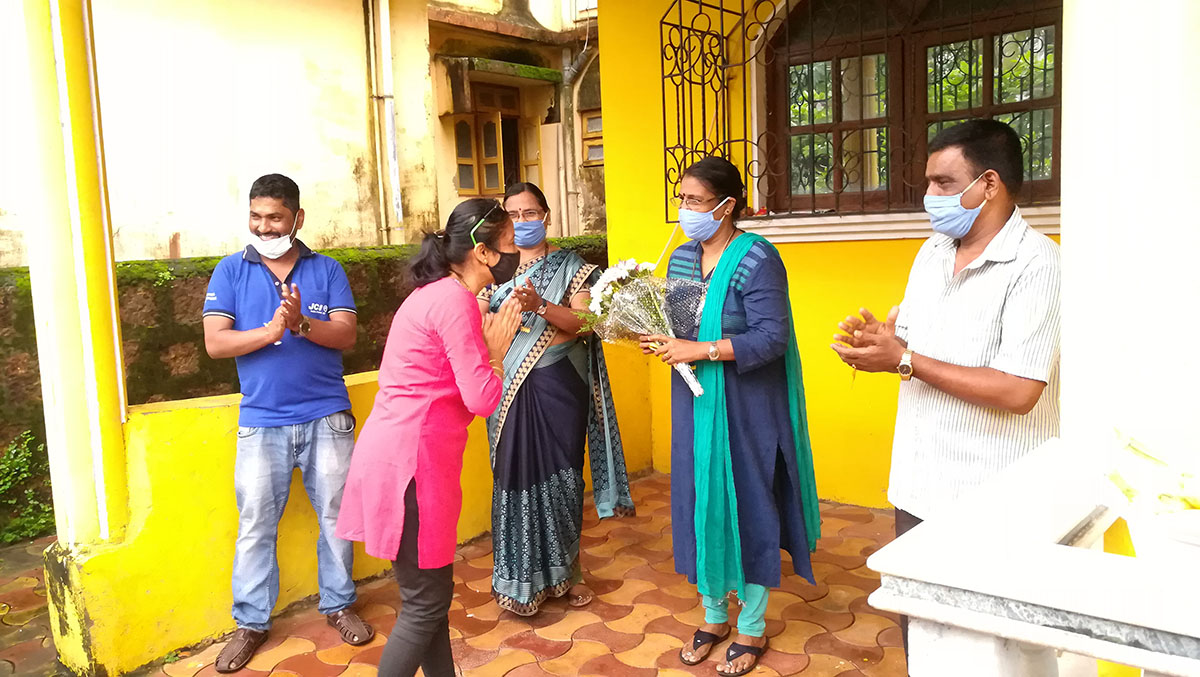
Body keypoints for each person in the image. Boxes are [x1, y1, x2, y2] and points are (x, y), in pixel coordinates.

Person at [831, 119, 1061, 655]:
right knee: (926, 637)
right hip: (918, 485)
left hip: (995, 498)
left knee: (991, 648)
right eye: (928, 183)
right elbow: (910, 345)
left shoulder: (1037, 265)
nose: (929, 197)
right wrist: (879, 348)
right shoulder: (932, 252)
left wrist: (905, 359)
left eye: (942, 183)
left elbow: (1019, 390)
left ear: (988, 184)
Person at [640, 157, 820, 677]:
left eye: (695, 201)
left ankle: (753, 626)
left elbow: (771, 338)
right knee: (701, 500)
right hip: (696, 403)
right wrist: (656, 338)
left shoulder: (756, 259)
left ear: (727, 205)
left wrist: (702, 351)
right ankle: (714, 614)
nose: (685, 210)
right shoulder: (678, 260)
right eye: (682, 199)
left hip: (748, 406)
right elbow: (677, 326)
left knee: (751, 501)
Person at [336, 198, 522, 677]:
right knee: (424, 606)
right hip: (412, 468)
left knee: (429, 601)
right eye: (508, 242)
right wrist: (497, 353)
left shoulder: (436, 294)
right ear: (483, 253)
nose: (515, 250)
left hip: (403, 457)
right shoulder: (453, 301)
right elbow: (481, 398)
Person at [202, 174, 374, 673]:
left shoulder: (327, 270)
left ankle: (339, 604)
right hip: (261, 422)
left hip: (327, 415)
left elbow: (345, 334)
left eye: (274, 217)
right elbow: (216, 343)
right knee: (255, 524)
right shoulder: (230, 271)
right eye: (255, 216)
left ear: (297, 218)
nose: (263, 225)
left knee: (337, 517)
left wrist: (301, 324)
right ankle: (251, 623)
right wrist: (270, 330)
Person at [479, 182, 635, 617]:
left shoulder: (577, 269)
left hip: (560, 388)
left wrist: (542, 305)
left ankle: (570, 573)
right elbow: (479, 330)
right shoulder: (493, 274)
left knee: (562, 482)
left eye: (531, 213)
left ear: (546, 216)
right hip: (507, 391)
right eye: (513, 215)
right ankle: (516, 581)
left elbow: (587, 323)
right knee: (513, 479)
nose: (522, 222)